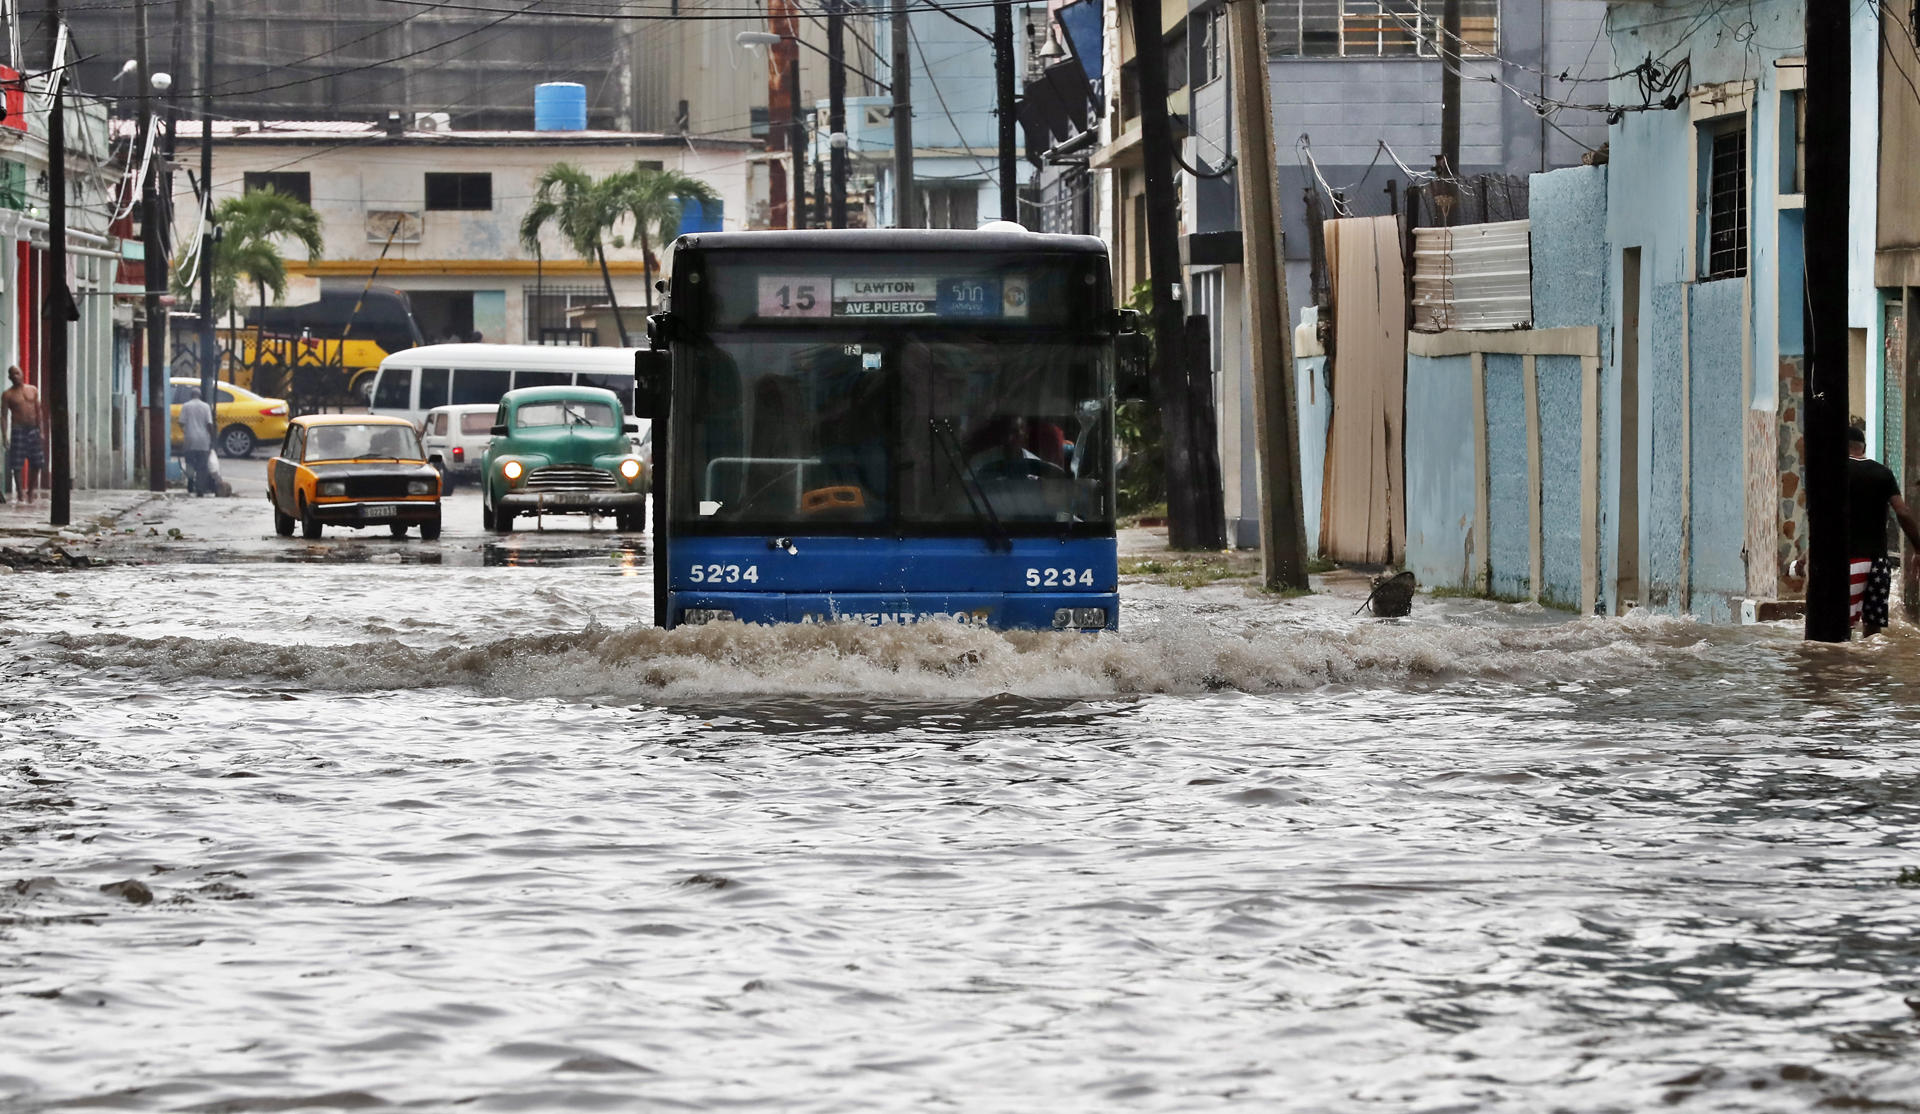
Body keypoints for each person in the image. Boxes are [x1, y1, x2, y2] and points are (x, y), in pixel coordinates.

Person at [1846, 425, 1920, 636]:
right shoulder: (1883, 473)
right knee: (1873, 635)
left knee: (1841, 630)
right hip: (1879, 563)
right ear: (1864, 447)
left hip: (1850, 560)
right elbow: (1903, 512)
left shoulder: (1835, 471)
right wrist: (1918, 549)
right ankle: (1873, 669)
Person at [2, 365, 46, 504]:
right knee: (17, 464)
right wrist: (4, 436)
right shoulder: (8, 394)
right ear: (9, 377)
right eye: (12, 374)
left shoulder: (33, 390)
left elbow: (39, 411)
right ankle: (20, 492)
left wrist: (42, 430)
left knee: (37, 462)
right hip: (18, 430)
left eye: (17, 373)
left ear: (22, 374)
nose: (15, 376)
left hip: (33, 429)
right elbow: (3, 416)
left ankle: (31, 490)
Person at [178, 386, 217, 497]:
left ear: (191, 395)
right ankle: (200, 489)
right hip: (203, 440)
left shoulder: (186, 406)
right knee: (202, 466)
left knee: (190, 462)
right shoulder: (206, 407)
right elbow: (209, 424)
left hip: (190, 439)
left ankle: (190, 483)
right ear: (200, 395)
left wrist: (186, 431)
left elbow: (181, 422)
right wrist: (212, 437)